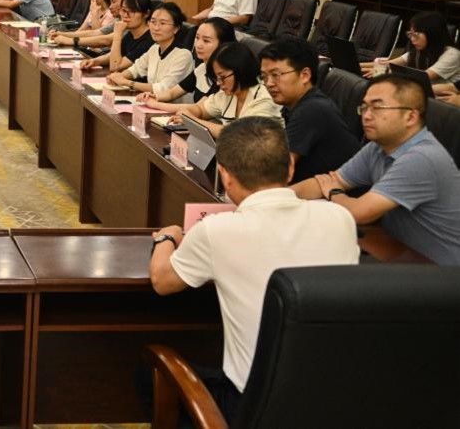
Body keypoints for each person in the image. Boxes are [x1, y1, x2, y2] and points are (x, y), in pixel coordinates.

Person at [149, 117, 358, 425]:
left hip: (255, 409)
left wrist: (166, 238)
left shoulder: (216, 230)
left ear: (225, 176)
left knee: (148, 375)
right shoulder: (340, 218)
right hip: (334, 404)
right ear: (290, 168)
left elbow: (162, 281)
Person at [292, 75, 460, 265]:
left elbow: (358, 213)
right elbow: (332, 180)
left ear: (411, 117)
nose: (366, 116)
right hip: (400, 253)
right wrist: (277, 196)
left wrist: (334, 193)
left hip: (443, 272)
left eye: (377, 108)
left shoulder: (421, 159)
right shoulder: (379, 146)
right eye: (364, 107)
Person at [258, 37, 361, 182]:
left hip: (335, 193)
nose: (269, 83)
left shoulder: (312, 110)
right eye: (264, 76)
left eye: (276, 75)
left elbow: (279, 172)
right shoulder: (295, 106)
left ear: (305, 75)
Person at [147, 42, 280, 138]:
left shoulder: (264, 97)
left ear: (241, 71)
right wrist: (187, 113)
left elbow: (240, 134)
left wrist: (192, 121)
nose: (218, 83)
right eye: (216, 78)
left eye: (222, 77)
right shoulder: (227, 94)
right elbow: (200, 109)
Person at [139, 17, 236, 105]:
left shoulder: (226, 76)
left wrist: (157, 104)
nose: (198, 45)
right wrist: (154, 97)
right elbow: (172, 93)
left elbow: (199, 108)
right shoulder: (201, 69)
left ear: (223, 44)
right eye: (197, 38)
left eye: (206, 41)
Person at [107, 1, 194, 98]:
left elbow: (163, 88)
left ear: (176, 28)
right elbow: (136, 69)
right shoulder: (154, 48)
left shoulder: (183, 55)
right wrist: (118, 77)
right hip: (151, 102)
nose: (156, 28)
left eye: (162, 23)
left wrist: (127, 83)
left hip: (173, 106)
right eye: (153, 22)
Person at [361, 11, 460, 82]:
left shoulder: (452, 54)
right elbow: (389, 64)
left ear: (432, 35)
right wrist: (358, 66)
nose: (412, 39)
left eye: (416, 35)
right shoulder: (420, 50)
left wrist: (386, 72)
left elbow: (424, 77)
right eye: (410, 34)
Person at [79, 0, 153, 71]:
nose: (125, 15)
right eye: (124, 10)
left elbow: (115, 66)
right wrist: (94, 61)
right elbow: (111, 55)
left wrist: (118, 33)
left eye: (132, 11)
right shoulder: (131, 34)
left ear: (146, 14)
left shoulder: (149, 40)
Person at [53, 0, 130, 50]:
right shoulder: (118, 20)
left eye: (114, 2)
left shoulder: (128, 22)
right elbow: (95, 32)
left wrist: (71, 41)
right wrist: (61, 34)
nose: (110, 6)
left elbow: (106, 40)